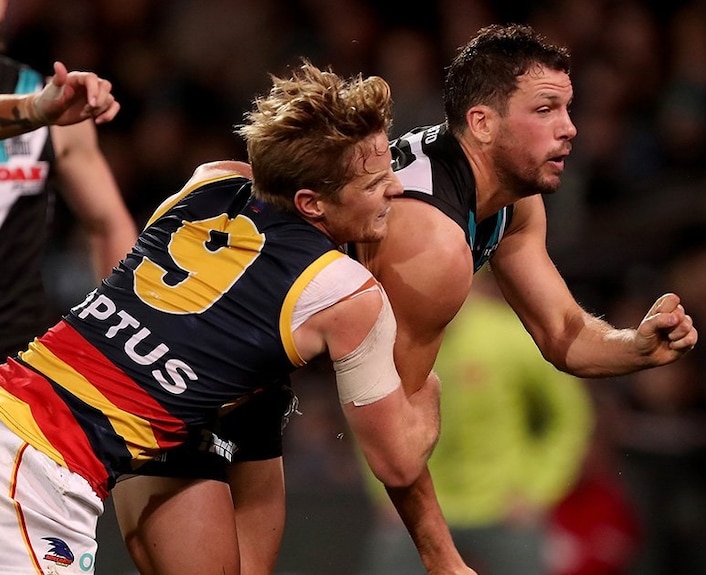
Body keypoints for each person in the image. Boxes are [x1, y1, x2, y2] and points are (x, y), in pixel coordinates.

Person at [113, 23, 699, 575]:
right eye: (545, 109)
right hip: (185, 382)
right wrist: (441, 557)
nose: (569, 126)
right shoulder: (433, 243)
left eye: (568, 108)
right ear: (483, 123)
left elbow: (563, 334)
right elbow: (395, 447)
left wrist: (634, 346)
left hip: (246, 388)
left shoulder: (512, 204)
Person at [0, 60, 442, 575]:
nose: (394, 190)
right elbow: (398, 462)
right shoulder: (346, 295)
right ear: (311, 203)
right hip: (39, 472)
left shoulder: (208, 181)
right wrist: (427, 381)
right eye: (373, 183)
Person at [359, 268, 595, 574]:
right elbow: (369, 419)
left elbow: (570, 414)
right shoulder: (395, 339)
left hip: (503, 506)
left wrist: (539, 490)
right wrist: (384, 492)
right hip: (417, 507)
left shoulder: (508, 336)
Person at [0, 49, 136, 362]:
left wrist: (119, 350)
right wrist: (34, 110)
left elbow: (108, 225)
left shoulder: (50, 98)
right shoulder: (41, 103)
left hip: (16, 355)